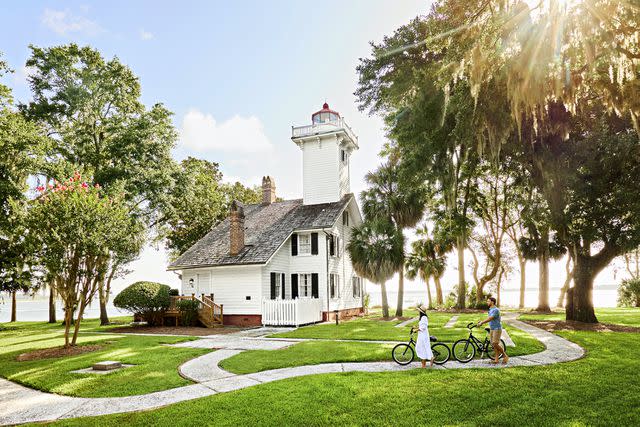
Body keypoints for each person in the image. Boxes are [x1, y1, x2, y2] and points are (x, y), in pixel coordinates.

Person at [477, 297, 509, 365]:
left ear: (492, 302)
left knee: (495, 343)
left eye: (488, 301)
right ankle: (496, 359)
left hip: (497, 329)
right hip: (492, 328)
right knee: (493, 345)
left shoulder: (496, 310)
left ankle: (505, 356)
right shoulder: (490, 310)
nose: (487, 302)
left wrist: (482, 322)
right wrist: (481, 321)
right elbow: (489, 318)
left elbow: (490, 318)